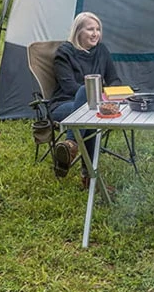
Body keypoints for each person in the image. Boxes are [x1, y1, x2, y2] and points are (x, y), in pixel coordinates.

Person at [49, 12, 122, 186]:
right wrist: (98, 98)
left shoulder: (101, 50)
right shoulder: (64, 53)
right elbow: (69, 88)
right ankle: (87, 174)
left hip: (94, 105)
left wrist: (114, 94)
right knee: (85, 93)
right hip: (65, 104)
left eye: (98, 29)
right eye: (90, 29)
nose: (95, 33)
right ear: (78, 31)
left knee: (90, 114)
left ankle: (69, 147)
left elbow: (113, 79)